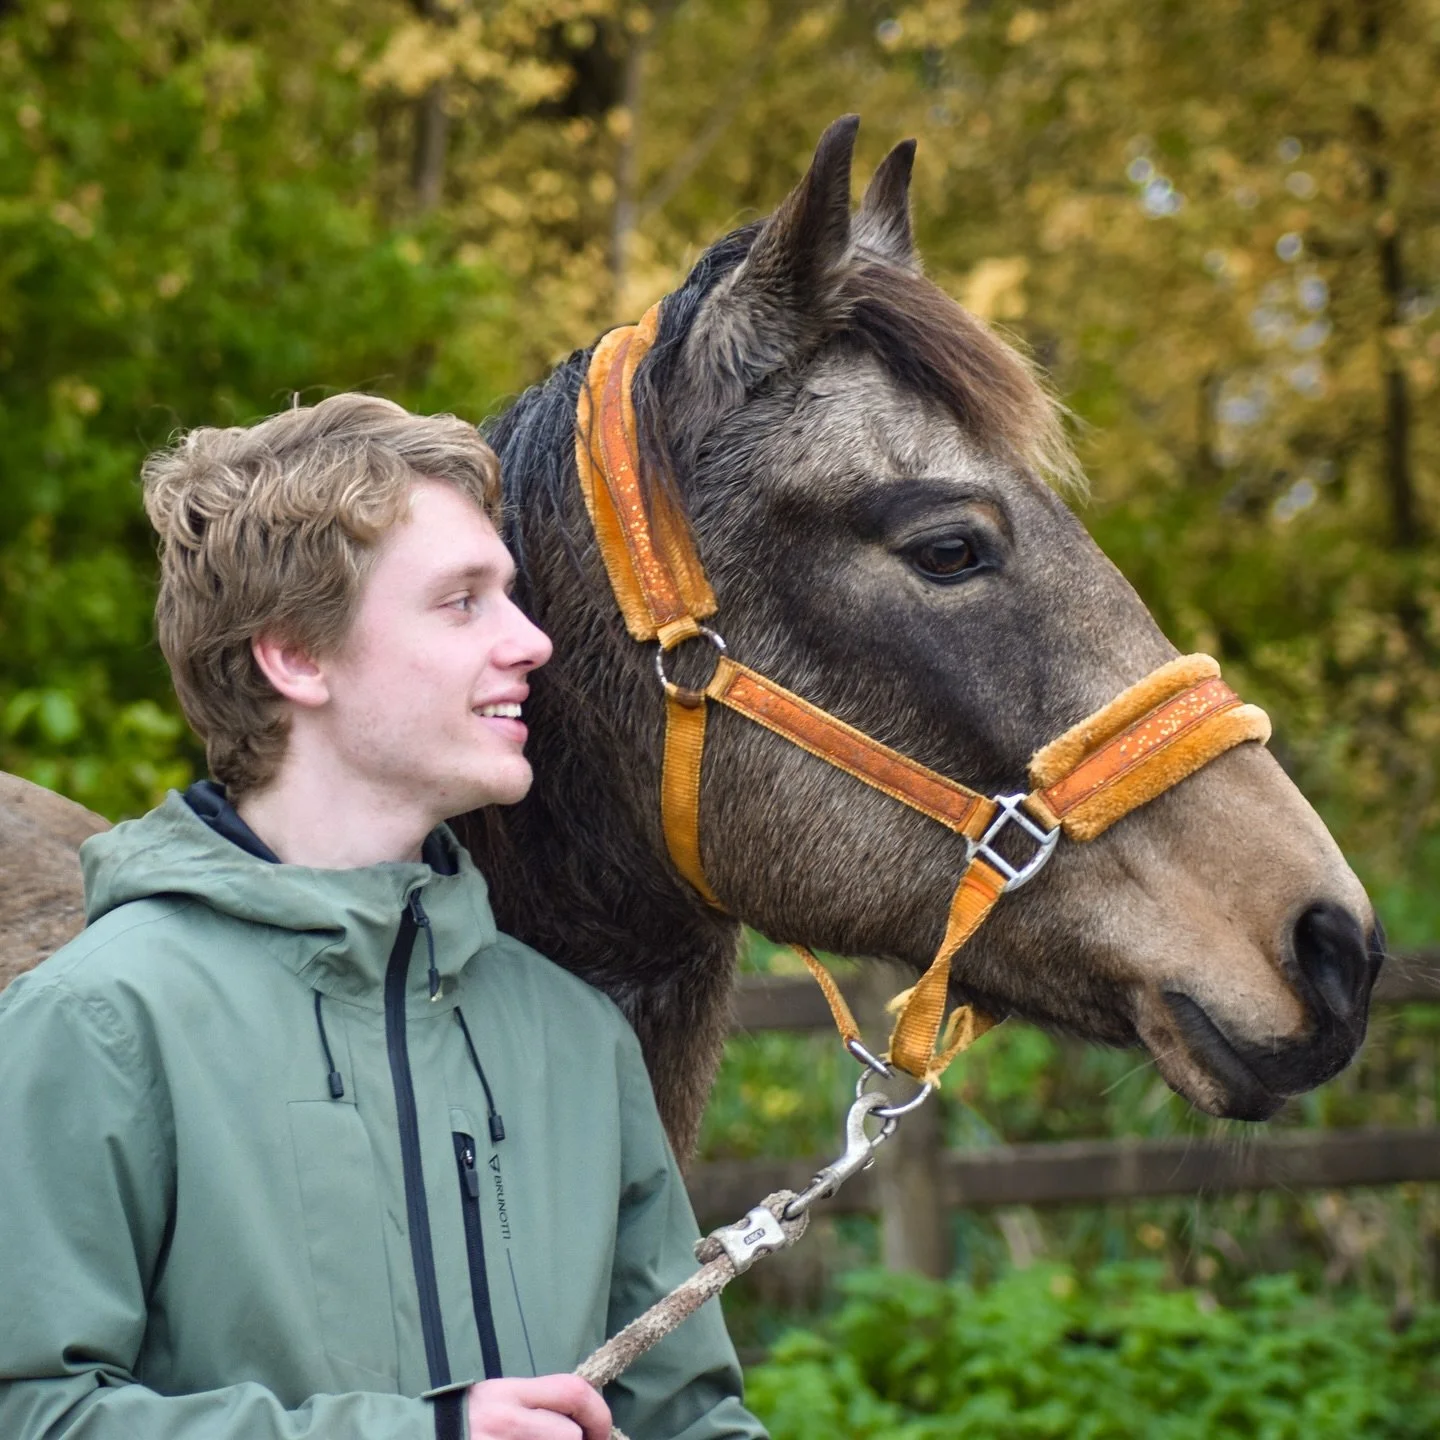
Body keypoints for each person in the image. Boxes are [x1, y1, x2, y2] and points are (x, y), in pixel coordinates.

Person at [0, 395, 767, 1440]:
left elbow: (685, 1419)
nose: (532, 641)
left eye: (512, 596)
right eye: (462, 603)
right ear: (295, 658)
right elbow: (33, 1410)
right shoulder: (98, 1022)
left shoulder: (579, 1039)